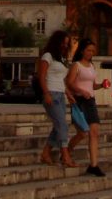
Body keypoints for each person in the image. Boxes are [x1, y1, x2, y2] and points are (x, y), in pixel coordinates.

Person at [65, 37, 107, 176]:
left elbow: (92, 85)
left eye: (93, 51)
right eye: (88, 50)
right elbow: (69, 83)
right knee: (82, 133)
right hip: (79, 101)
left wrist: (102, 85)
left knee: (94, 133)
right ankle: (68, 149)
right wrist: (81, 91)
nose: (90, 53)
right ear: (82, 51)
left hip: (90, 101)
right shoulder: (76, 65)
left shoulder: (92, 67)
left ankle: (94, 165)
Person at [38, 29, 76, 167]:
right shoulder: (47, 56)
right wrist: (46, 93)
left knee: (59, 125)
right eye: (63, 43)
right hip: (51, 93)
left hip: (60, 94)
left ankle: (46, 152)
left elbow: (61, 80)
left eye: (67, 44)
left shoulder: (62, 58)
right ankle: (65, 156)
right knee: (62, 125)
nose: (65, 46)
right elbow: (41, 76)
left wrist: (68, 93)